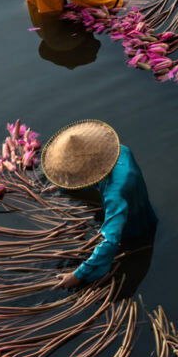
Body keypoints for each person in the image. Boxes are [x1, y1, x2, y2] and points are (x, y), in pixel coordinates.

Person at [41, 120, 157, 288]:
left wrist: (78, 275)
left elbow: (110, 241)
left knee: (126, 237)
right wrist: (63, 185)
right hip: (137, 200)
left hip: (132, 227)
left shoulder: (115, 195)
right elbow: (96, 173)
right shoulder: (120, 151)